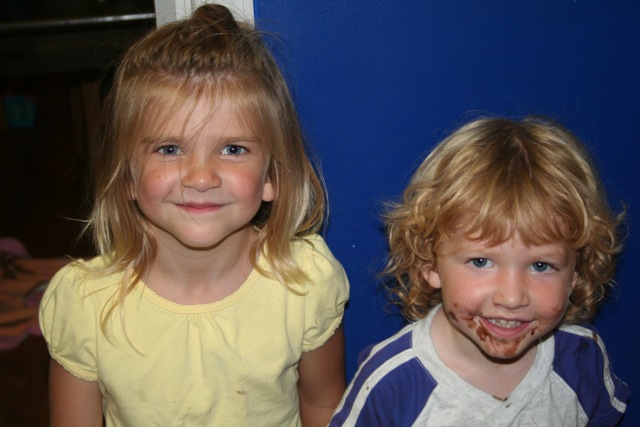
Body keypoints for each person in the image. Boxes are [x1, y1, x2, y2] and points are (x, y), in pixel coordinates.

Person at [39, 4, 349, 426]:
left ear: (271, 177)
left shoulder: (305, 282)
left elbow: (323, 405)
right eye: (170, 149)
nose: (201, 177)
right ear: (127, 176)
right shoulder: (85, 305)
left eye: (233, 149)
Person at [330, 116, 629, 426]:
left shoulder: (584, 357)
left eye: (540, 265)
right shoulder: (390, 384)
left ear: (575, 274)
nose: (511, 297)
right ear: (429, 263)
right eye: (481, 262)